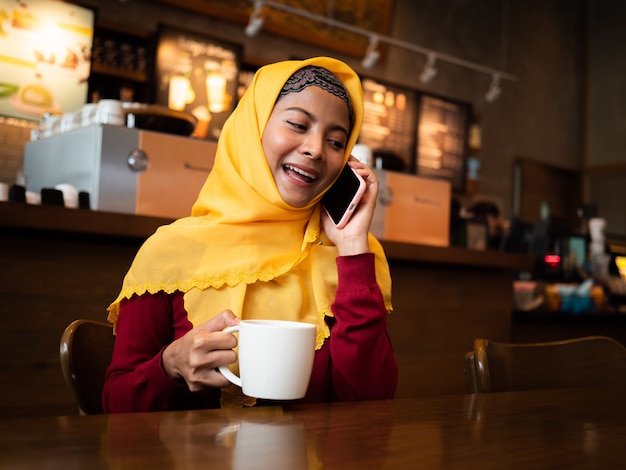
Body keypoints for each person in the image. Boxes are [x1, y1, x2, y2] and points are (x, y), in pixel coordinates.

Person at [103, 57, 398, 413]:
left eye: (337, 142)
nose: (316, 149)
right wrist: (169, 366)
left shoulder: (350, 257)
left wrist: (352, 249)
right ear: (251, 128)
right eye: (297, 124)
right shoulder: (169, 253)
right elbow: (114, 405)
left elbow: (371, 404)